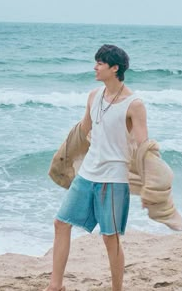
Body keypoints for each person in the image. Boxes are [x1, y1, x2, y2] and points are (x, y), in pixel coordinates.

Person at [44, 44, 148, 291]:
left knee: (110, 238)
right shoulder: (93, 96)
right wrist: (65, 157)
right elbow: (84, 129)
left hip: (114, 178)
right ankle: (55, 285)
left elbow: (144, 144)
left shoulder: (134, 104)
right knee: (61, 223)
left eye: (100, 63)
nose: (95, 67)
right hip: (87, 173)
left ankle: (116, 289)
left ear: (115, 68)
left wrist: (153, 182)